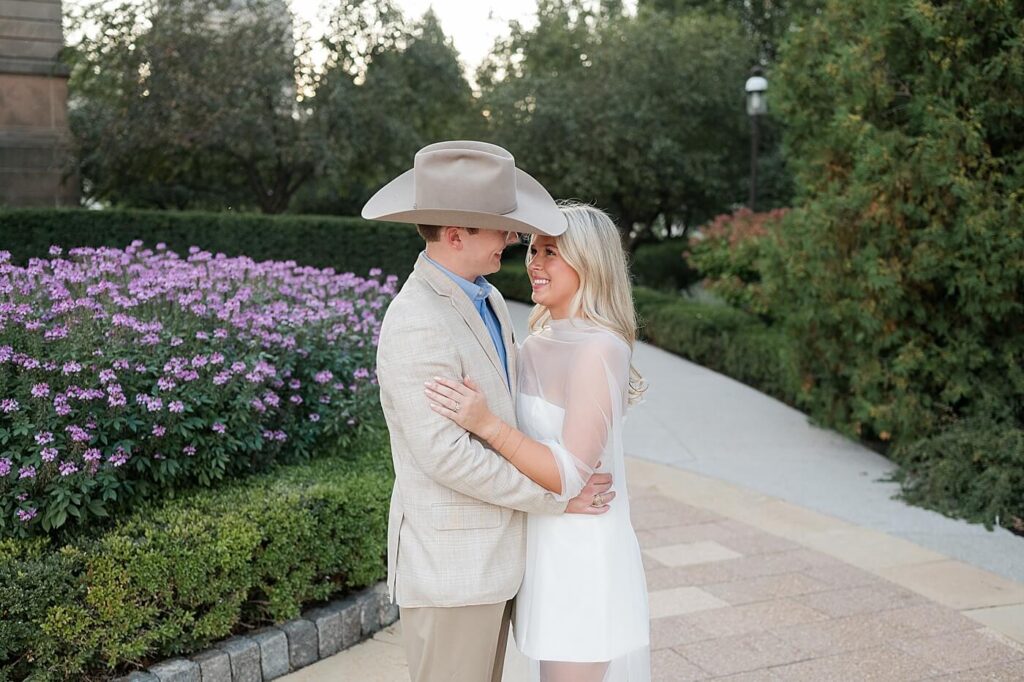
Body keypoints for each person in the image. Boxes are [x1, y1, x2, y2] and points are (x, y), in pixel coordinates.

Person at [362, 141, 616, 682]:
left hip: (497, 566)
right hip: (453, 573)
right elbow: (447, 457)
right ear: (456, 235)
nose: (514, 237)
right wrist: (556, 499)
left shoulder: (489, 299)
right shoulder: (414, 321)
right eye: (501, 226)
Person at [424, 202, 651, 681]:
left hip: (582, 554)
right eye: (533, 249)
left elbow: (570, 476)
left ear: (589, 263)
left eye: (551, 253)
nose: (534, 263)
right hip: (538, 547)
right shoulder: (534, 344)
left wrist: (486, 424)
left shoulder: (599, 349)